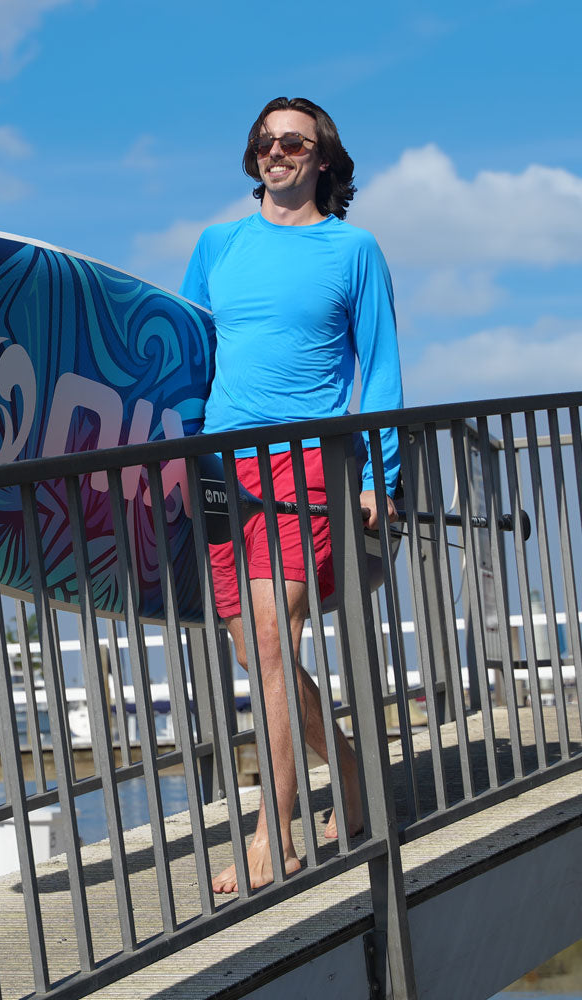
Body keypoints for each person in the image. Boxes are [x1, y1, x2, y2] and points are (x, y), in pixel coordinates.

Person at [180, 96, 403, 893]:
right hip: (219, 465)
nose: (278, 152)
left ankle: (274, 832)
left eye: (294, 143)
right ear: (255, 155)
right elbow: (185, 356)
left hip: (303, 463)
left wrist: (378, 476)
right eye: (266, 141)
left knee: (275, 641)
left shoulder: (352, 250)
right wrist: (171, 459)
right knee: (253, 649)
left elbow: (379, 367)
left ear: (323, 159)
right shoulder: (216, 246)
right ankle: (351, 771)